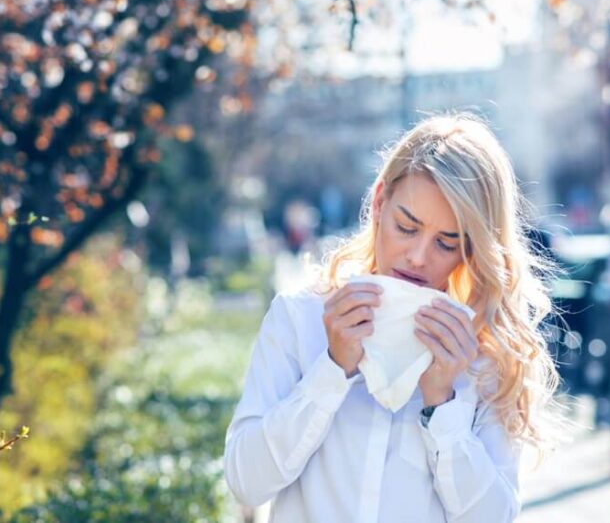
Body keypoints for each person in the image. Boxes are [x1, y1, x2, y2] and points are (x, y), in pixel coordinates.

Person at [224, 113, 560, 522]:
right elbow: (246, 481)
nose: (418, 257)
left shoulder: (482, 357)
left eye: (446, 243)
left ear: (470, 251)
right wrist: (331, 369)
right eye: (407, 227)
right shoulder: (300, 318)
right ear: (380, 203)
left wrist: (442, 404)